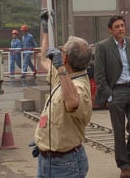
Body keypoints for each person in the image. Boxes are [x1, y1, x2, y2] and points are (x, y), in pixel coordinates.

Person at [34, 12, 93, 178]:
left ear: (65, 57)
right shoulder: (63, 75)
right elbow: (45, 60)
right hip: (47, 159)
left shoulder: (79, 85)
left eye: (62, 50)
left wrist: (60, 68)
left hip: (66, 164)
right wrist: (46, 30)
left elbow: (72, 101)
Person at [94, 15, 130, 178]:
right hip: (116, 92)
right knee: (119, 131)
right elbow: (99, 74)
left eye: (122, 25)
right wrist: (109, 95)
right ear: (111, 30)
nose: (120, 29)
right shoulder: (102, 47)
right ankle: (124, 165)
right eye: (117, 26)